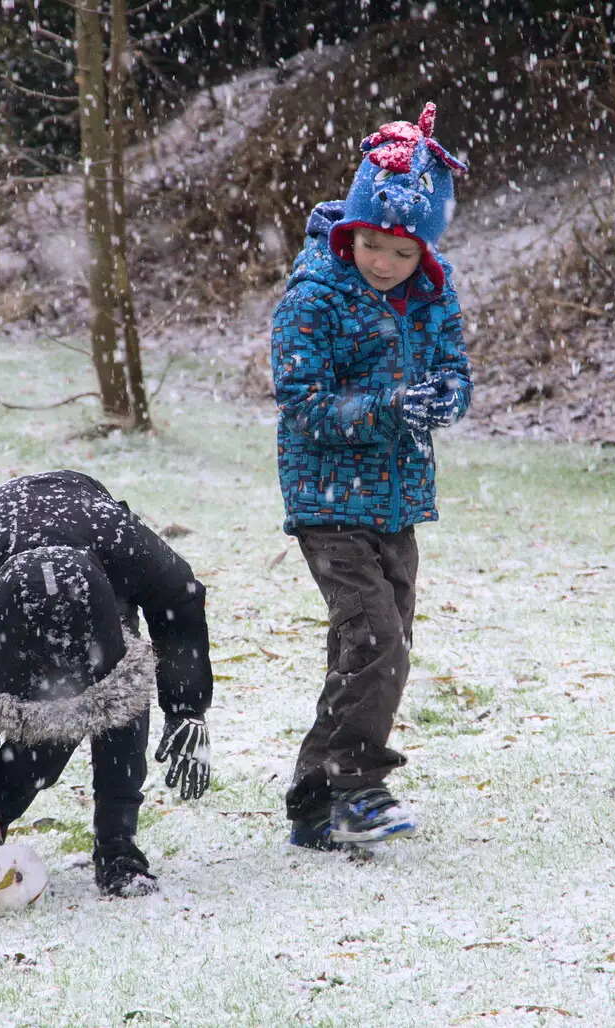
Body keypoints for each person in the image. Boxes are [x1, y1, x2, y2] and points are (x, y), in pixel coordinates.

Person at [270, 102, 472, 851]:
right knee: (374, 639)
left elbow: (454, 370)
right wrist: (389, 408)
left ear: (425, 253)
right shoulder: (314, 297)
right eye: (375, 246)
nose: (386, 263)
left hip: (398, 499)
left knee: (377, 649)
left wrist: (445, 396)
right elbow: (303, 404)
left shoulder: (429, 296)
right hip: (327, 500)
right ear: (352, 231)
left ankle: (313, 801)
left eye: (404, 252)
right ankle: (360, 787)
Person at [0, 470, 214, 909]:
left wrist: (186, 708)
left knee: (118, 693)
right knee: (43, 737)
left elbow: (182, 600)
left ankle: (119, 852)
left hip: (91, 565)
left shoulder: (126, 549)